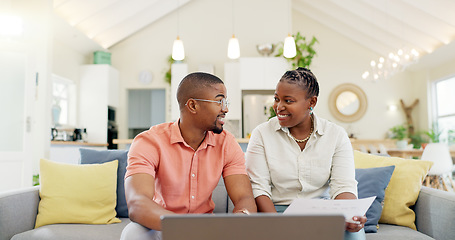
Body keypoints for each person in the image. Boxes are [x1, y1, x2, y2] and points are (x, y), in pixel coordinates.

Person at [121, 72, 257, 240]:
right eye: (219, 101)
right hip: (162, 226)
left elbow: (244, 197)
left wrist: (240, 219)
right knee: (132, 233)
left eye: (226, 102)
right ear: (193, 106)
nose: (226, 109)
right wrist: (189, 229)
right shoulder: (149, 141)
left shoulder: (226, 143)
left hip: (207, 228)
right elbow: (138, 204)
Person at [245, 67, 367, 240]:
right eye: (276, 99)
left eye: (288, 100)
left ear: (311, 102)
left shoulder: (336, 135)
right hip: (277, 211)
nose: (279, 107)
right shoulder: (262, 134)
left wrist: (349, 215)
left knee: (354, 237)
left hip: (322, 212)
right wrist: (276, 225)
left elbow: (344, 186)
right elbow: (259, 187)